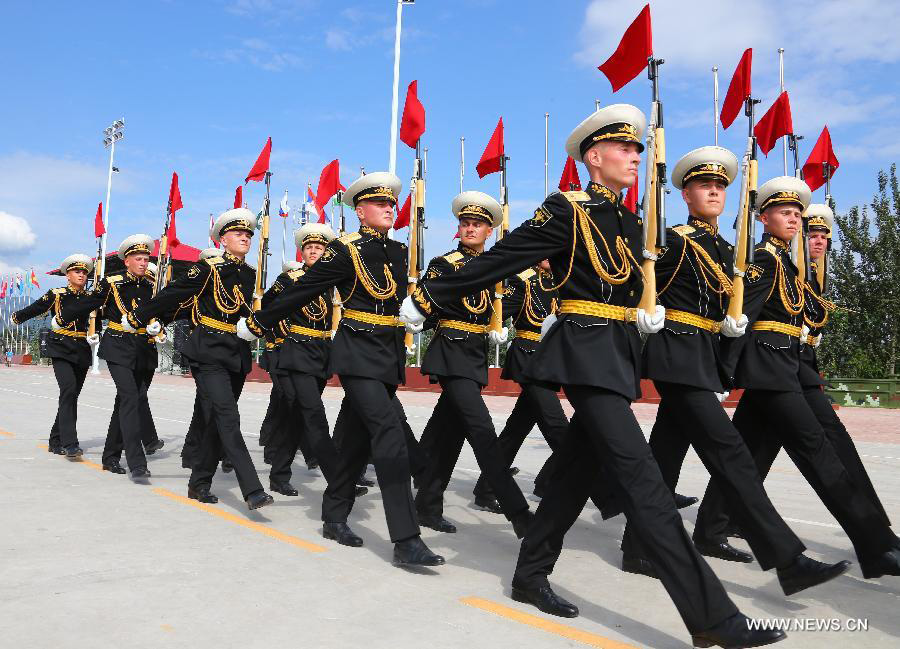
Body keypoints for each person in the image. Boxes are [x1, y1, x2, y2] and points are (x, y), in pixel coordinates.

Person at [401, 105, 785, 648]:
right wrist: (427, 295)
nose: (636, 157)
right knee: (646, 485)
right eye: (625, 150)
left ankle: (529, 574)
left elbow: (681, 282)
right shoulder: (567, 210)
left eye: (638, 149)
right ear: (594, 157)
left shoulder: (634, 223)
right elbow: (505, 258)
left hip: (619, 357)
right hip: (582, 353)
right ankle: (712, 618)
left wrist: (679, 320)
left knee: (575, 474)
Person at [603, 147, 849, 596]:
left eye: (721, 186)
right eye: (704, 185)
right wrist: (642, 310)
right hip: (675, 356)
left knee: (665, 455)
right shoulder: (674, 239)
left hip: (702, 359)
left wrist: (728, 339)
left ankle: (637, 545)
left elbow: (730, 303)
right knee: (731, 452)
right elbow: (637, 280)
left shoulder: (725, 249)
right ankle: (787, 558)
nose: (715, 191)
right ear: (685, 194)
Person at [692, 177, 900, 580]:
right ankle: (875, 546)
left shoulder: (786, 262)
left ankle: (710, 527)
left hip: (784, 367)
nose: (794, 219)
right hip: (769, 372)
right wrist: (720, 370)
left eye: (797, 214)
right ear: (763, 217)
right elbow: (737, 319)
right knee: (818, 453)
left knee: (749, 456)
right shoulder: (765, 261)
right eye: (785, 213)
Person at [243, 172, 443, 567]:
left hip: (387, 355)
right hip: (357, 352)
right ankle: (406, 538)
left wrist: (428, 316)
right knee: (389, 437)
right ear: (360, 212)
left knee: (353, 441)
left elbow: (409, 300)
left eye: (391, 203)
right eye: (379, 203)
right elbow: (304, 288)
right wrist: (258, 322)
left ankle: (334, 516)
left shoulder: (401, 252)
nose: (389, 208)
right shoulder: (344, 250)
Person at [126, 208, 274, 510]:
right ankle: (252, 488)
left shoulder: (250, 275)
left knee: (213, 421)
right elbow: (173, 294)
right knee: (228, 417)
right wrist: (139, 316)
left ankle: (199, 483)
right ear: (222, 239)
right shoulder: (207, 269)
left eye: (248, 234)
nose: (245, 237)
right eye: (238, 233)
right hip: (207, 351)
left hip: (236, 353)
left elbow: (250, 312)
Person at [412, 191, 531, 537]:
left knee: (447, 433)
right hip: (451, 351)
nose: (470, 229)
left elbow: (507, 306)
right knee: (481, 429)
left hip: (476, 354)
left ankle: (426, 502)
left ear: (489, 230)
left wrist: (498, 326)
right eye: (465, 223)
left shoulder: (499, 268)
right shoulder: (444, 264)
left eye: (477, 224)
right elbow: (430, 300)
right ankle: (518, 512)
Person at [58, 234, 162, 481]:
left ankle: (110, 456)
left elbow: (165, 310)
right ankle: (137, 462)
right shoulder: (113, 283)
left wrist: (161, 325)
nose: (143, 262)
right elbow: (91, 303)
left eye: (146, 258)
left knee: (126, 403)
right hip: (118, 347)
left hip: (144, 350)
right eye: (138, 258)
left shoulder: (151, 287)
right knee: (129, 397)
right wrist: (63, 316)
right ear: (126, 261)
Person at [261, 224, 348, 496]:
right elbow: (267, 304)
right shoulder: (290, 278)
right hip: (296, 350)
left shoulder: (332, 280)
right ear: (302, 252)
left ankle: (279, 474)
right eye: (309, 247)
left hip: (321, 351)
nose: (313, 251)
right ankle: (338, 478)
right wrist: (282, 331)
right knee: (313, 412)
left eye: (319, 248)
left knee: (297, 416)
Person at [14, 254, 95, 459]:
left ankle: (55, 439)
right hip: (61, 347)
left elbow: (97, 320)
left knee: (71, 395)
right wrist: (17, 317)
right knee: (68, 390)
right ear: (67, 275)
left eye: (85, 272)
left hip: (82, 349)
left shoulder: (90, 299)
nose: (82, 275)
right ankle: (70, 443)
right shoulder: (57, 294)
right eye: (78, 271)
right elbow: (36, 308)